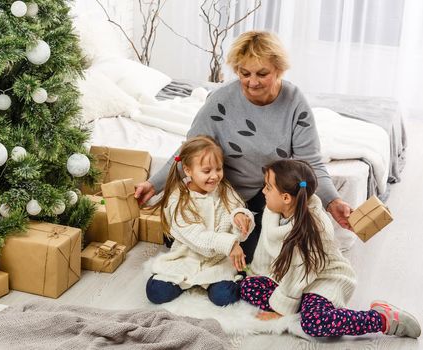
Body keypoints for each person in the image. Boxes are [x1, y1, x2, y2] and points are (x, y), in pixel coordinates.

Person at [134, 31, 353, 263]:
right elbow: (189, 152)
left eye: (262, 73)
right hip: (221, 190)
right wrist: (153, 184)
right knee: (196, 244)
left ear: (279, 69)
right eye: (244, 73)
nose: (252, 81)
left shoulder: (294, 102)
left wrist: (332, 201)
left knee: (270, 253)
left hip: (266, 192)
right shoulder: (221, 100)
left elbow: (309, 163)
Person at [241, 159, 420, 338]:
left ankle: (382, 318)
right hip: (291, 280)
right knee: (248, 287)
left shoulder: (314, 228)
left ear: (286, 198)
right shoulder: (272, 212)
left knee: (314, 323)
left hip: (323, 278)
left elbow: (301, 272)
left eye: (268, 187)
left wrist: (281, 311)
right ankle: (304, 306)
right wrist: (258, 274)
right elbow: (265, 249)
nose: (263, 191)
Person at [146, 135, 255, 306]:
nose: (214, 176)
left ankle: (226, 280)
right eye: (206, 171)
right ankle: (184, 279)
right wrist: (230, 244)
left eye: (218, 169)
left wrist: (240, 217)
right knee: (156, 292)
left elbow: (238, 216)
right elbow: (196, 236)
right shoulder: (179, 198)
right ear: (188, 170)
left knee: (224, 297)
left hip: (218, 260)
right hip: (187, 256)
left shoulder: (225, 190)